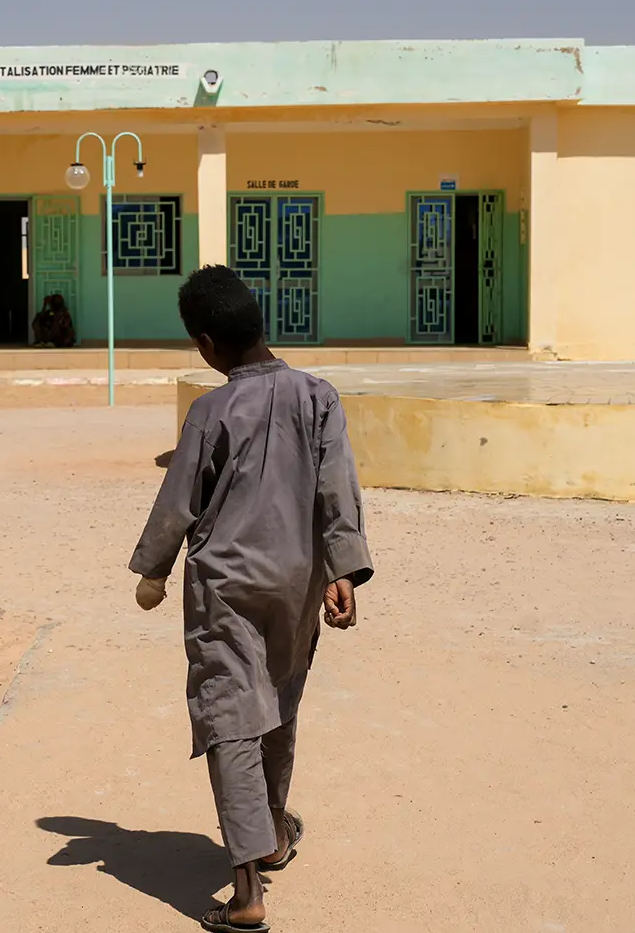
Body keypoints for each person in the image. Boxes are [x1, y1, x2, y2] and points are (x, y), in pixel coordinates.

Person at [129, 264, 372, 933]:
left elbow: (178, 501)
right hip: (299, 581)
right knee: (280, 702)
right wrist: (343, 571)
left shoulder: (210, 410)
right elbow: (337, 490)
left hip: (225, 589)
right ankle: (270, 835)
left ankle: (246, 894)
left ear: (206, 344)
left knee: (230, 716)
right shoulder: (319, 396)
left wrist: (152, 570)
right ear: (262, 325)